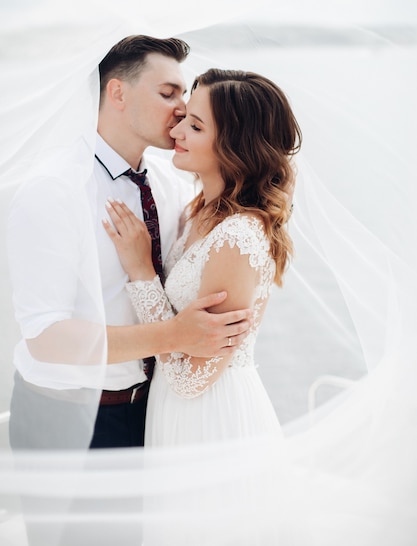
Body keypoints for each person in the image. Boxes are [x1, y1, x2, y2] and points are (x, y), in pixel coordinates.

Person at [7, 37, 253, 452]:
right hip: (65, 419)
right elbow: (45, 337)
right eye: (167, 93)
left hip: (156, 414)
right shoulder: (55, 189)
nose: (182, 107)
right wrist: (174, 335)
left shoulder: (171, 186)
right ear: (117, 92)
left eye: (183, 93)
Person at [103, 67, 302, 445]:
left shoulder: (239, 236)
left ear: (235, 145)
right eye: (183, 120)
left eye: (195, 127)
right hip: (172, 410)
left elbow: (191, 378)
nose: (176, 132)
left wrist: (142, 272)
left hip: (211, 421)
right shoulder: (198, 210)